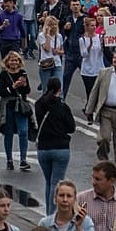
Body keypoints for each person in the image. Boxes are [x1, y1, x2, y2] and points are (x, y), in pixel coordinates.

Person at [34, 78, 77, 215]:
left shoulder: (39, 104)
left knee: (48, 182)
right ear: (59, 89)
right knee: (56, 183)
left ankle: (48, 213)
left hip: (43, 148)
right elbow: (71, 128)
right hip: (60, 148)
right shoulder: (63, 107)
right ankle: (52, 215)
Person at [0, 50, 32, 171]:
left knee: (23, 131)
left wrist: (24, 85)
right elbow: (1, 91)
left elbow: (27, 91)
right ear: (7, 62)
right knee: (8, 133)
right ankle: (9, 160)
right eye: (12, 60)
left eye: (16, 60)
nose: (14, 62)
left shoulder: (23, 73)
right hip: (8, 106)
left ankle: (23, 160)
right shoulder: (4, 74)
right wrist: (13, 87)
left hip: (21, 106)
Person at [75, 162, 116, 231]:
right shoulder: (80, 199)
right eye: (93, 178)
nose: (94, 182)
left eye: (98, 179)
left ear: (111, 181)